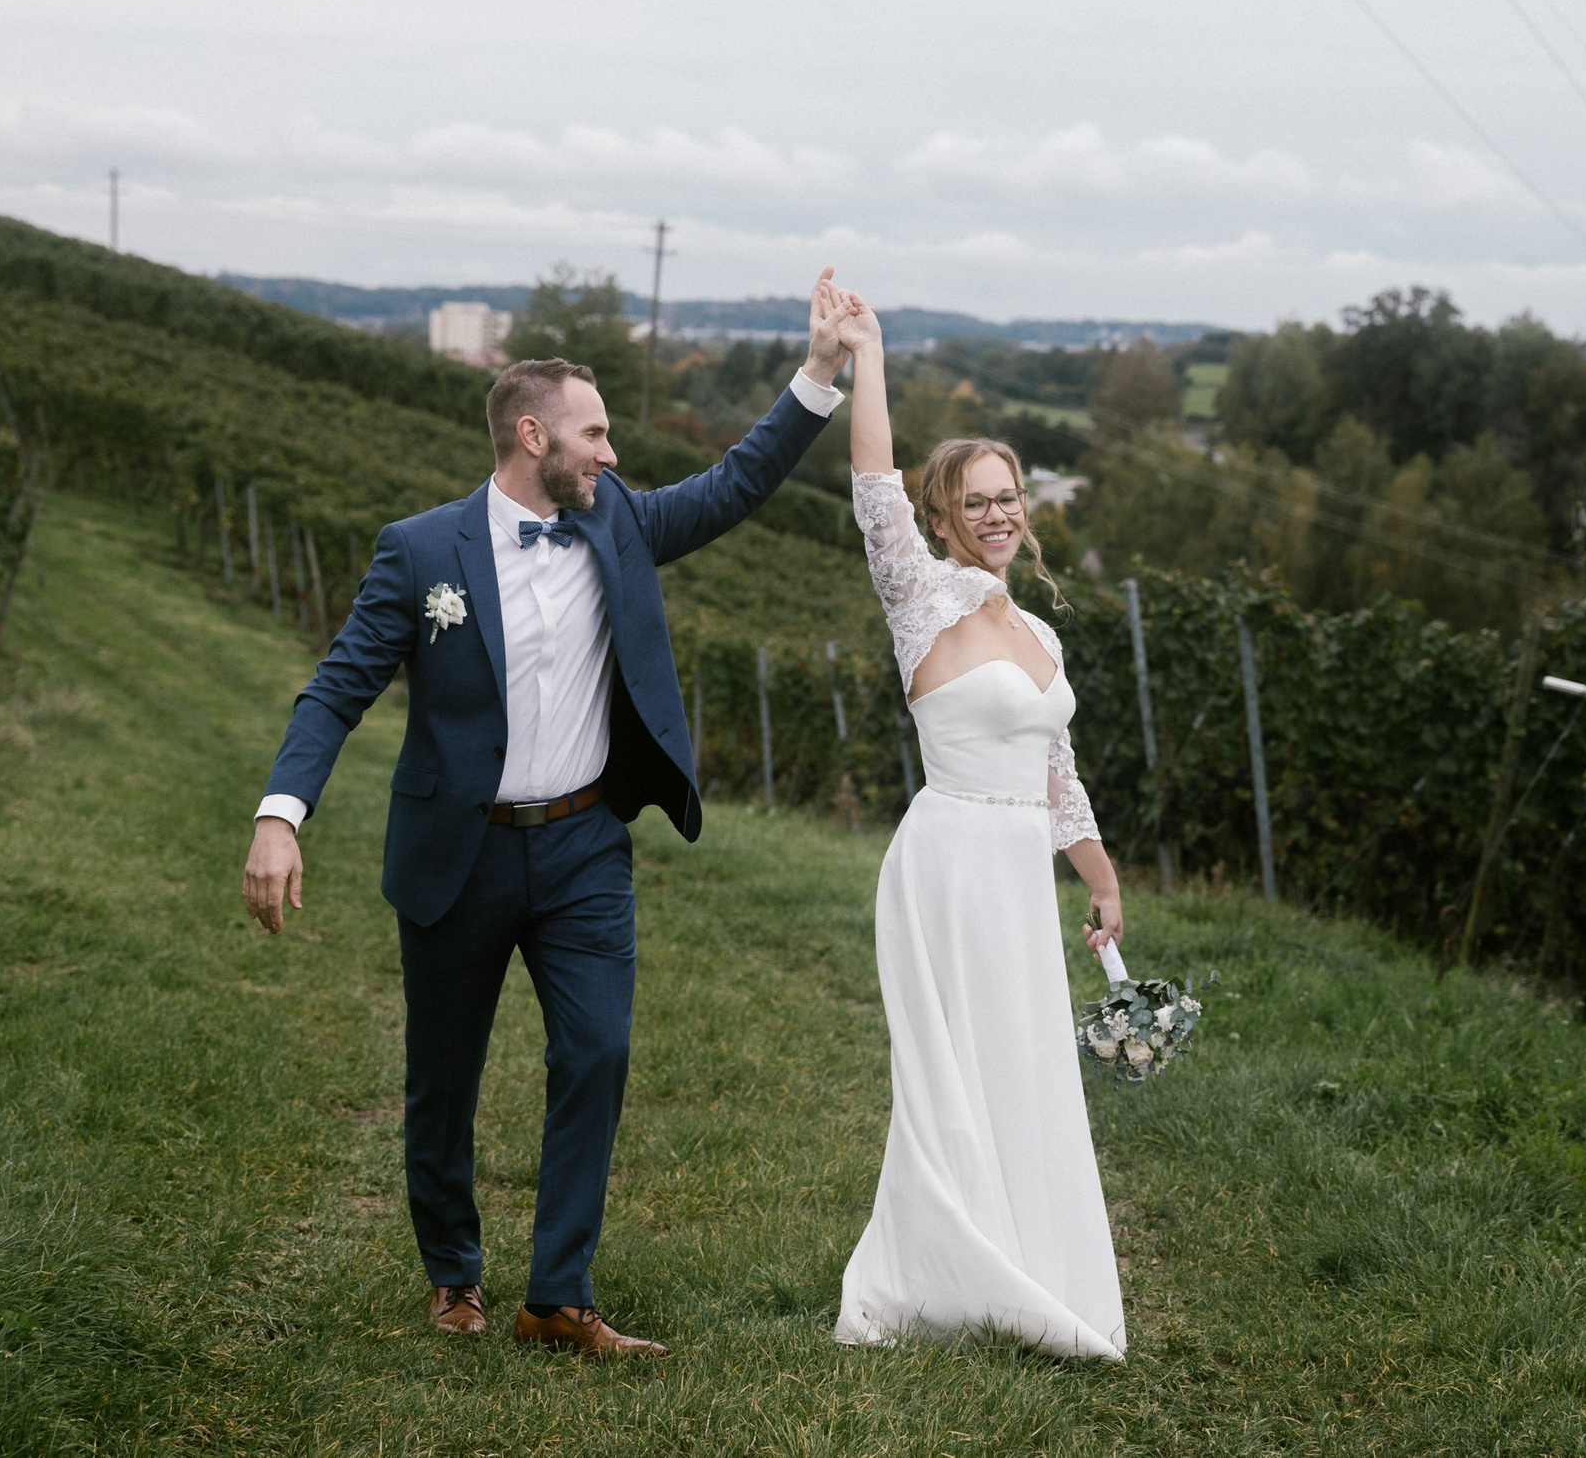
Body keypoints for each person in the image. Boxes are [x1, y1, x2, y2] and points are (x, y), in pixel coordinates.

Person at [239, 273, 856, 1357]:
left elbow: (735, 484)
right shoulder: (421, 552)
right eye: (596, 432)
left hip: (581, 846)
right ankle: (454, 1279)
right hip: (456, 853)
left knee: (599, 1052)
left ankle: (555, 1297)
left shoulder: (615, 522)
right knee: (443, 1080)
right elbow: (338, 686)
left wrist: (816, 374)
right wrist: (281, 814)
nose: (612, 453)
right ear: (534, 435)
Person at [825, 283, 1128, 1360]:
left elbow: (1056, 772)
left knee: (1022, 1061)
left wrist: (1097, 877)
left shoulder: (1038, 628)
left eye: (1010, 497)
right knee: (950, 1071)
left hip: (1017, 867)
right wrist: (869, 353)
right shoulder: (922, 596)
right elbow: (871, 483)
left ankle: (1023, 1258)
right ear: (943, 517)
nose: (999, 514)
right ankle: (938, 1270)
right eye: (976, 501)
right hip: (948, 860)